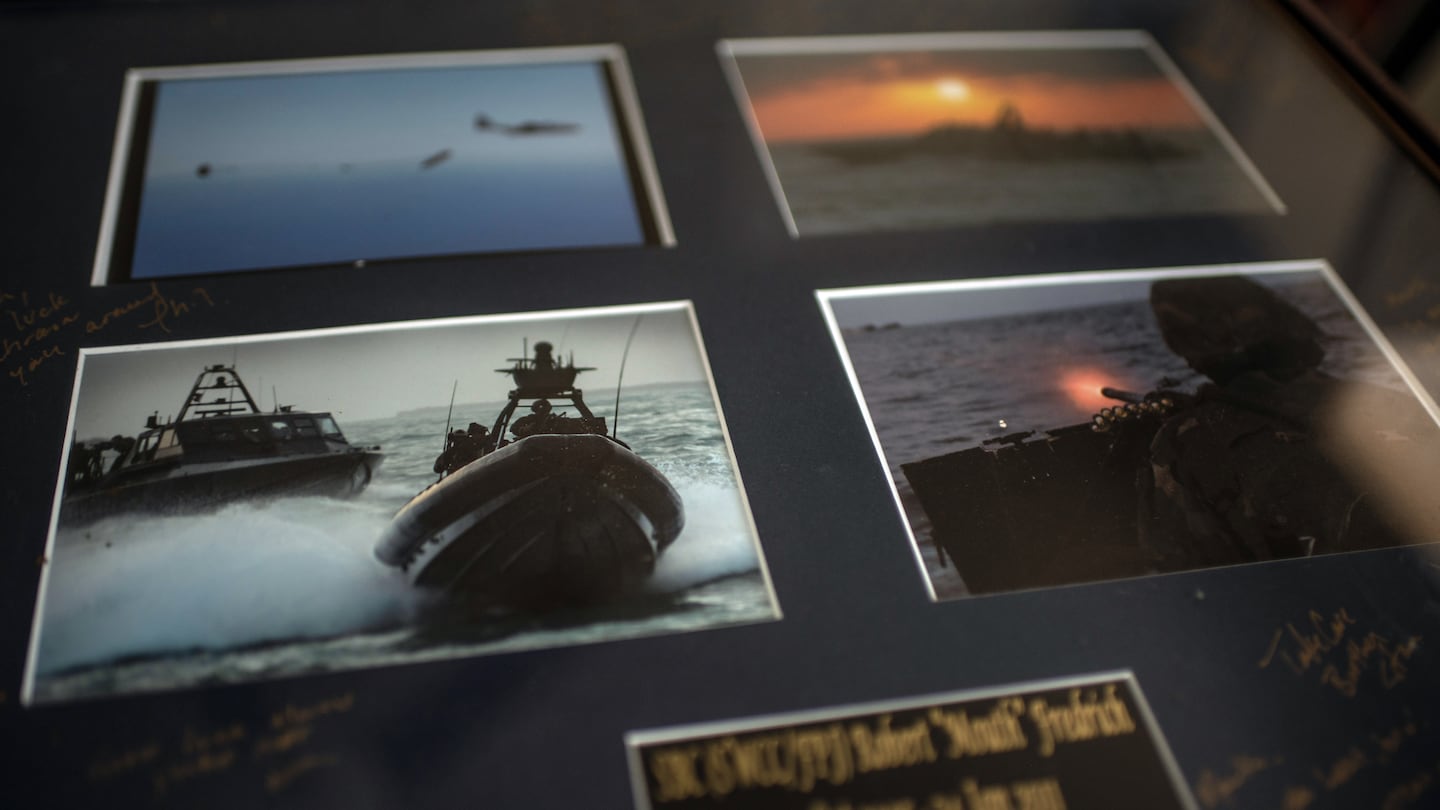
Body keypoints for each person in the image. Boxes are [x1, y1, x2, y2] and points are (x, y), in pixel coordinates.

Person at [1137, 276, 1440, 570]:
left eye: (1179, 334)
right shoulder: (1390, 400)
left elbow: (1184, 576)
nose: (1181, 348)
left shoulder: (1184, 440)